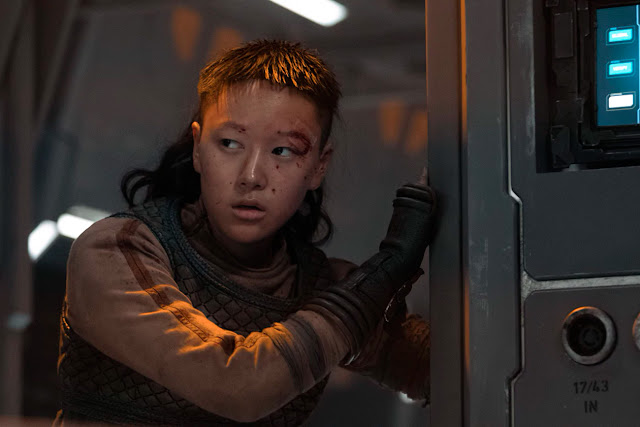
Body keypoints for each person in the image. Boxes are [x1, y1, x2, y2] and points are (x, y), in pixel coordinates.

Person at [55, 39, 436, 426]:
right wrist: (385, 270)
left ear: (319, 167)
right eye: (230, 143)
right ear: (198, 148)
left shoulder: (319, 286)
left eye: (283, 151)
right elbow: (233, 386)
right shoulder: (115, 251)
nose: (251, 176)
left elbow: (451, 370)